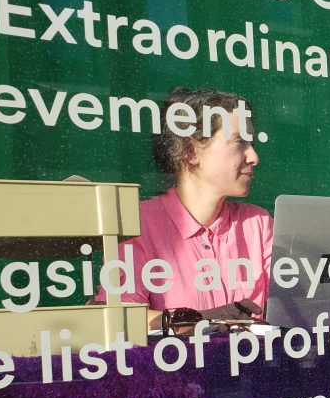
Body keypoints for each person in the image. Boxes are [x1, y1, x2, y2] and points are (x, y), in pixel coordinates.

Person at [108, 87, 273, 332]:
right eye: (239, 142)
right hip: (175, 368)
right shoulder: (139, 224)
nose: (254, 156)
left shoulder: (257, 223)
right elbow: (117, 319)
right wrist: (203, 321)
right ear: (191, 151)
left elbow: (302, 304)